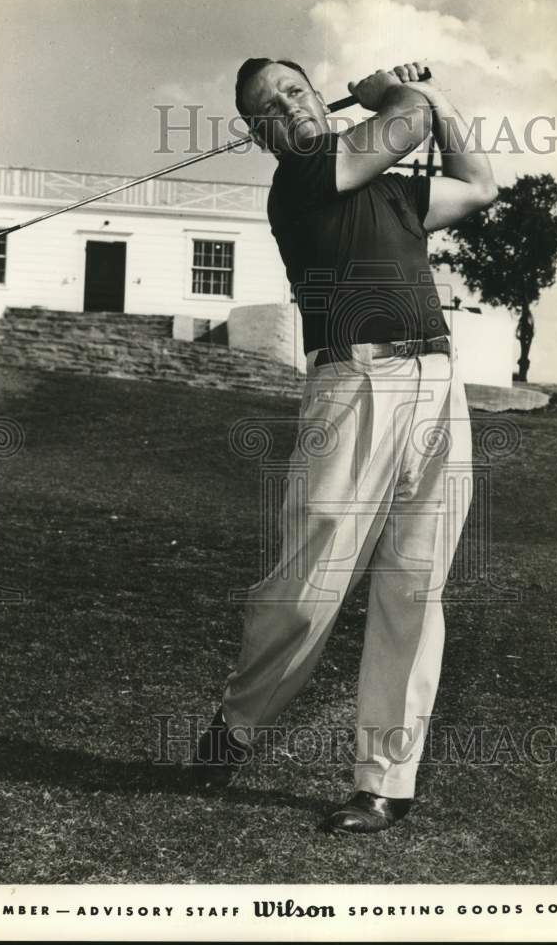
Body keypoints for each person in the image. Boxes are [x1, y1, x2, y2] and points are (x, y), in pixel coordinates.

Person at [192, 58, 497, 834]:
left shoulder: (388, 189)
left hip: (435, 382)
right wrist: (390, 97)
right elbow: (402, 125)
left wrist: (433, 95)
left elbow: (479, 184)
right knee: (307, 587)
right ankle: (237, 724)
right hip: (352, 388)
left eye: (295, 89)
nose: (288, 106)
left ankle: (384, 782)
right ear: (262, 135)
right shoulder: (300, 177)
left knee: (412, 585)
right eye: (268, 107)